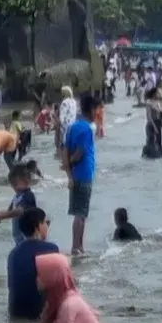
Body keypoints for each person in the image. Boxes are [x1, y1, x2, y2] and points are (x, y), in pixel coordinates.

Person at [63, 95, 101, 256]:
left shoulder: (73, 127)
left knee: (79, 213)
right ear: (91, 110)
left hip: (76, 176)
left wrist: (68, 171)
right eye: (97, 110)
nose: (98, 113)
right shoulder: (86, 129)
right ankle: (76, 247)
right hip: (84, 174)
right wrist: (71, 163)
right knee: (81, 214)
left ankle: (79, 246)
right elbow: (79, 153)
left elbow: (65, 150)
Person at [8, 208, 60, 321]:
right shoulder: (51, 249)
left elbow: (11, 285)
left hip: (15, 311)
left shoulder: (13, 253)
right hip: (38, 313)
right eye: (46, 222)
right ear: (38, 226)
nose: (47, 226)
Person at [38, 253, 104, 323]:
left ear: (52, 277)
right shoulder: (57, 299)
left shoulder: (68, 304)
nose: (36, 279)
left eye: (41, 274)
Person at [0, 164, 37, 245]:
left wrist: (2, 216)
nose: (14, 187)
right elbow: (9, 211)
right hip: (19, 237)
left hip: (27, 237)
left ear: (27, 180)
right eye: (12, 184)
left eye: (15, 184)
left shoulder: (28, 195)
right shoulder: (17, 196)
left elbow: (19, 211)